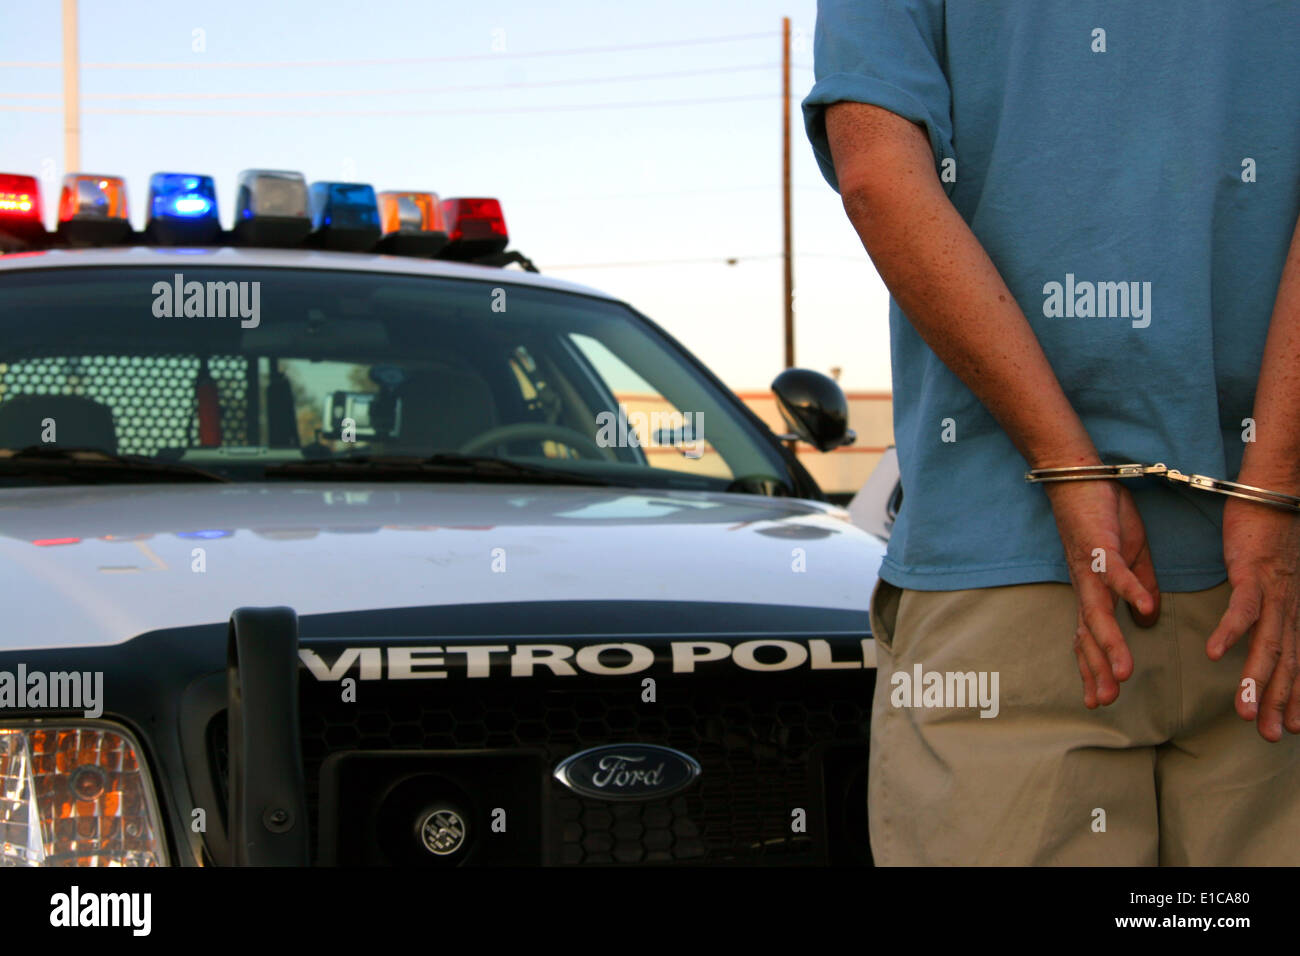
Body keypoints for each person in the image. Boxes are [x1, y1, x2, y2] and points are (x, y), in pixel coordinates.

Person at [804, 0, 1300, 865]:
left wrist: (1065, 464)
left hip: (1007, 579)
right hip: (1269, 589)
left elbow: (879, 174)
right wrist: (1275, 483)